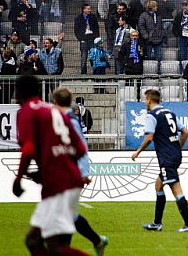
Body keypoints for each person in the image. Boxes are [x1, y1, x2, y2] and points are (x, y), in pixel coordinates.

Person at [13, 74, 91, 256]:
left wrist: (18, 180)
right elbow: (79, 148)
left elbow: (29, 149)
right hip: (67, 180)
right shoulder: (53, 110)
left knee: (54, 246)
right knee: (33, 241)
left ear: (19, 93)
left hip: (58, 185)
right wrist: (49, 168)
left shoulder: (27, 111)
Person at [52, 87, 109, 256]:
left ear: (54, 102)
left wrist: (83, 171)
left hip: (72, 172)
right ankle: (96, 241)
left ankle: (77, 246)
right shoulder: (60, 119)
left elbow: (81, 145)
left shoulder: (71, 121)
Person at [131, 89, 188, 233]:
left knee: (176, 189)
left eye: (145, 100)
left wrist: (137, 152)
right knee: (158, 185)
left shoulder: (152, 116)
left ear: (149, 100)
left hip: (167, 157)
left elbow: (149, 137)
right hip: (174, 154)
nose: (144, 102)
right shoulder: (169, 113)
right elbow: (185, 132)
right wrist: (177, 147)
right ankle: (157, 223)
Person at [74, 3, 100, 75]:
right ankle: (83, 73)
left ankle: (95, 72)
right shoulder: (78, 18)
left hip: (92, 39)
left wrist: (96, 38)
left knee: (93, 56)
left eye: (90, 9)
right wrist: (80, 39)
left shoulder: (93, 17)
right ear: (84, 10)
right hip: (84, 40)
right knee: (84, 57)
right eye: (88, 9)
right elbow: (76, 30)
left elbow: (97, 28)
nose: (90, 10)